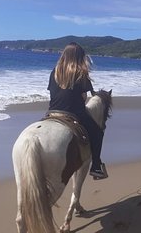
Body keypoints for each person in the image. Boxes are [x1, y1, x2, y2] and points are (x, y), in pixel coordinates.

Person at [47, 42, 107, 179]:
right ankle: (96, 166)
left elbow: (52, 94)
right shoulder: (81, 73)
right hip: (73, 113)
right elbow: (84, 97)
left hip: (52, 111)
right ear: (79, 57)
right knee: (97, 133)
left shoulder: (54, 71)